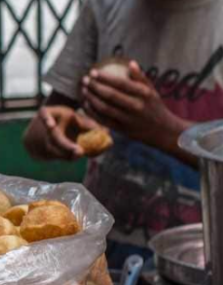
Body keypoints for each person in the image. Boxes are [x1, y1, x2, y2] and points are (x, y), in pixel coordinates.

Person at [23, 0, 223, 267]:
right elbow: (34, 137)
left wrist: (164, 130)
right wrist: (56, 134)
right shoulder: (105, 7)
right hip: (102, 256)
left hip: (199, 266)